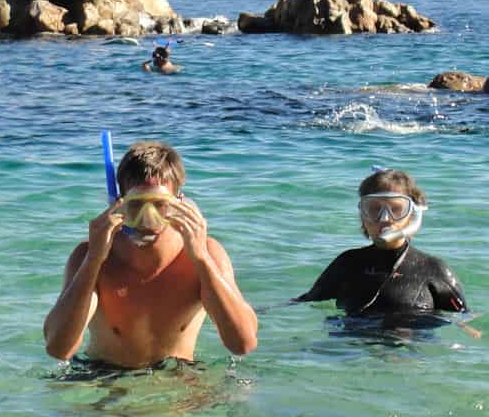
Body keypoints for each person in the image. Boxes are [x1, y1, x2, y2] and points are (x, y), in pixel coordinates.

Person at [43, 141, 257, 370]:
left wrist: (202, 258)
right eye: (137, 206)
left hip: (177, 377)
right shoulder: (90, 257)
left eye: (160, 205)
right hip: (103, 376)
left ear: (179, 204)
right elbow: (59, 349)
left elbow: (242, 344)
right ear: (118, 205)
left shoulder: (207, 254)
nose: (148, 220)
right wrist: (93, 260)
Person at [293, 168, 467, 327]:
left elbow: (464, 317)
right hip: (352, 345)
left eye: (396, 209)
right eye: (374, 209)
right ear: (362, 216)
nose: (384, 218)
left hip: (407, 350)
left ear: (413, 216)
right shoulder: (347, 263)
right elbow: (307, 300)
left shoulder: (432, 268)